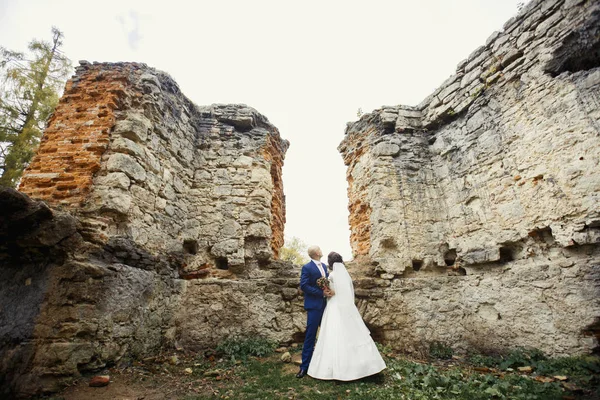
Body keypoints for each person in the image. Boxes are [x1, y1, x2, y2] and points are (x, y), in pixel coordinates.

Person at [307, 251, 386, 381]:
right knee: (353, 334)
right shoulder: (346, 275)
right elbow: (347, 293)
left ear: (331, 263)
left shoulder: (331, 275)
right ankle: (366, 367)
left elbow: (332, 293)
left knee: (333, 334)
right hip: (347, 309)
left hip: (334, 308)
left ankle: (334, 370)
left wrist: (327, 291)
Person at [296, 245, 334, 378]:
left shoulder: (324, 266)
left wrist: (329, 291)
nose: (321, 250)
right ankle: (304, 367)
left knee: (327, 334)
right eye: (320, 249)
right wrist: (321, 293)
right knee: (310, 335)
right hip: (314, 306)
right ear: (317, 252)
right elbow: (304, 285)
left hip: (327, 306)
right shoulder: (307, 267)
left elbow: (327, 283)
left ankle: (326, 364)